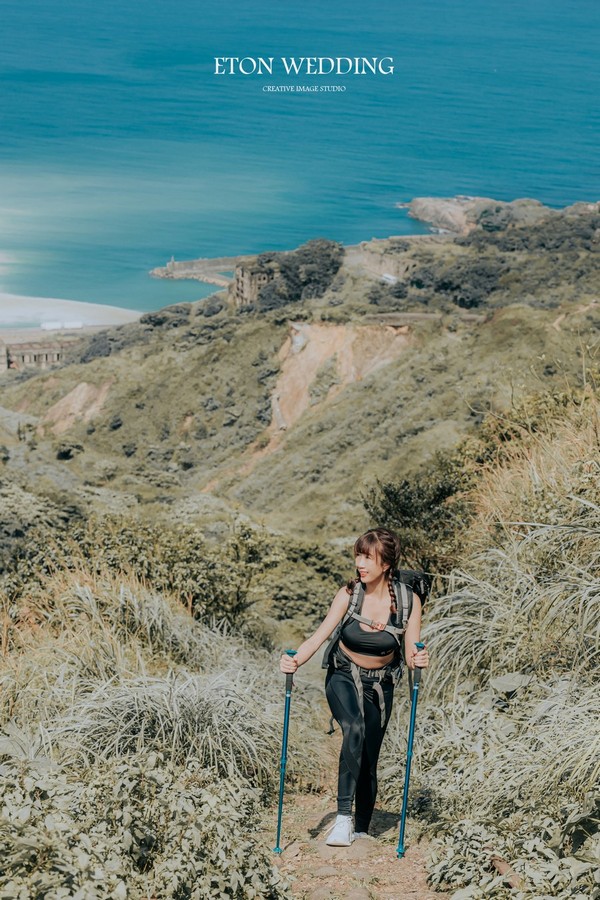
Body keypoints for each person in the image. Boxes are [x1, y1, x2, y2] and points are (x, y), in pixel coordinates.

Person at [279, 527, 429, 846]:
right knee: (354, 729)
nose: (360, 563)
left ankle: (361, 825)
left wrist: (419, 658)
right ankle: (343, 819)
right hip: (343, 673)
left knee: (369, 756)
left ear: (386, 563)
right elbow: (318, 637)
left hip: (380, 683)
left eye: (368, 557)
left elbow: (410, 654)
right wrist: (294, 660)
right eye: (358, 555)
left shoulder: (408, 601)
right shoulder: (349, 593)